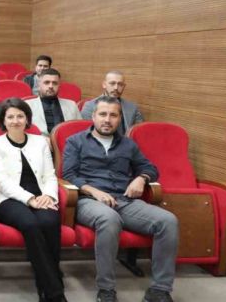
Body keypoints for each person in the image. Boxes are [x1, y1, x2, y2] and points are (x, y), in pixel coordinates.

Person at [63, 96, 178, 302]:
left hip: (124, 200)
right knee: (109, 219)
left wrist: (141, 179)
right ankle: (106, 290)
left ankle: (160, 290)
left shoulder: (128, 144)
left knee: (168, 221)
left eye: (113, 115)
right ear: (93, 116)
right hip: (89, 201)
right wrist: (94, 191)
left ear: (119, 119)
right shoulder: (76, 141)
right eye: (103, 114)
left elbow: (149, 168)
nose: (107, 120)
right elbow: (69, 174)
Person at [0, 98, 66, 302]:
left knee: (50, 221)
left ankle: (45, 285)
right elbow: (1, 181)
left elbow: (50, 175)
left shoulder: (40, 142)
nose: (15, 121)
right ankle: (55, 291)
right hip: (7, 199)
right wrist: (29, 199)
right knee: (30, 224)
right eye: (10, 117)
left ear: (27, 119)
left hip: (41, 196)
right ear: (3, 120)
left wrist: (48, 196)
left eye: (20, 116)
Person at [81, 70, 144, 136]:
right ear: (104, 85)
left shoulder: (133, 107)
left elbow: (139, 132)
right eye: (112, 83)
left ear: (124, 86)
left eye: (120, 84)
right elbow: (87, 134)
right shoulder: (90, 106)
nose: (116, 88)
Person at [25, 68, 82, 136]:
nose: (51, 86)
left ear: (59, 85)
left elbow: (80, 130)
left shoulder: (72, 105)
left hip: (67, 141)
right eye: (47, 82)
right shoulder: (27, 105)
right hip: (38, 141)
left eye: (55, 83)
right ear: (39, 85)